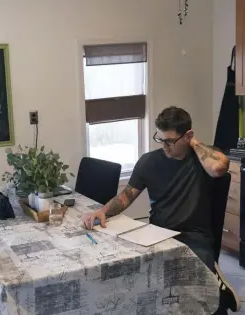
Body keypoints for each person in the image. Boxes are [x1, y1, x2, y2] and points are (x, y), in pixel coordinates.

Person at [81, 106, 240, 314]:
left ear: (188, 136)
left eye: (170, 141)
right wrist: (103, 211)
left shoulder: (203, 159)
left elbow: (219, 167)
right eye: (160, 139)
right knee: (130, 269)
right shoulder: (149, 161)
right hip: (157, 234)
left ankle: (217, 293)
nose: (164, 146)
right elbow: (127, 195)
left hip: (194, 237)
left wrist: (193, 142)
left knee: (200, 293)